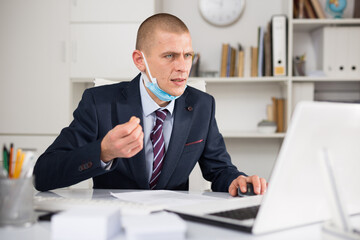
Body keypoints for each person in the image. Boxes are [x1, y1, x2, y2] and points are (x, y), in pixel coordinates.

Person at [34, 13, 267, 196]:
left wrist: (237, 180)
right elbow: (43, 174)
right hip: (115, 220)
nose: (183, 67)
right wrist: (103, 152)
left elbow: (220, 170)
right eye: (170, 56)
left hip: (174, 222)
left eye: (187, 55)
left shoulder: (202, 105)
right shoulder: (99, 103)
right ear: (139, 60)